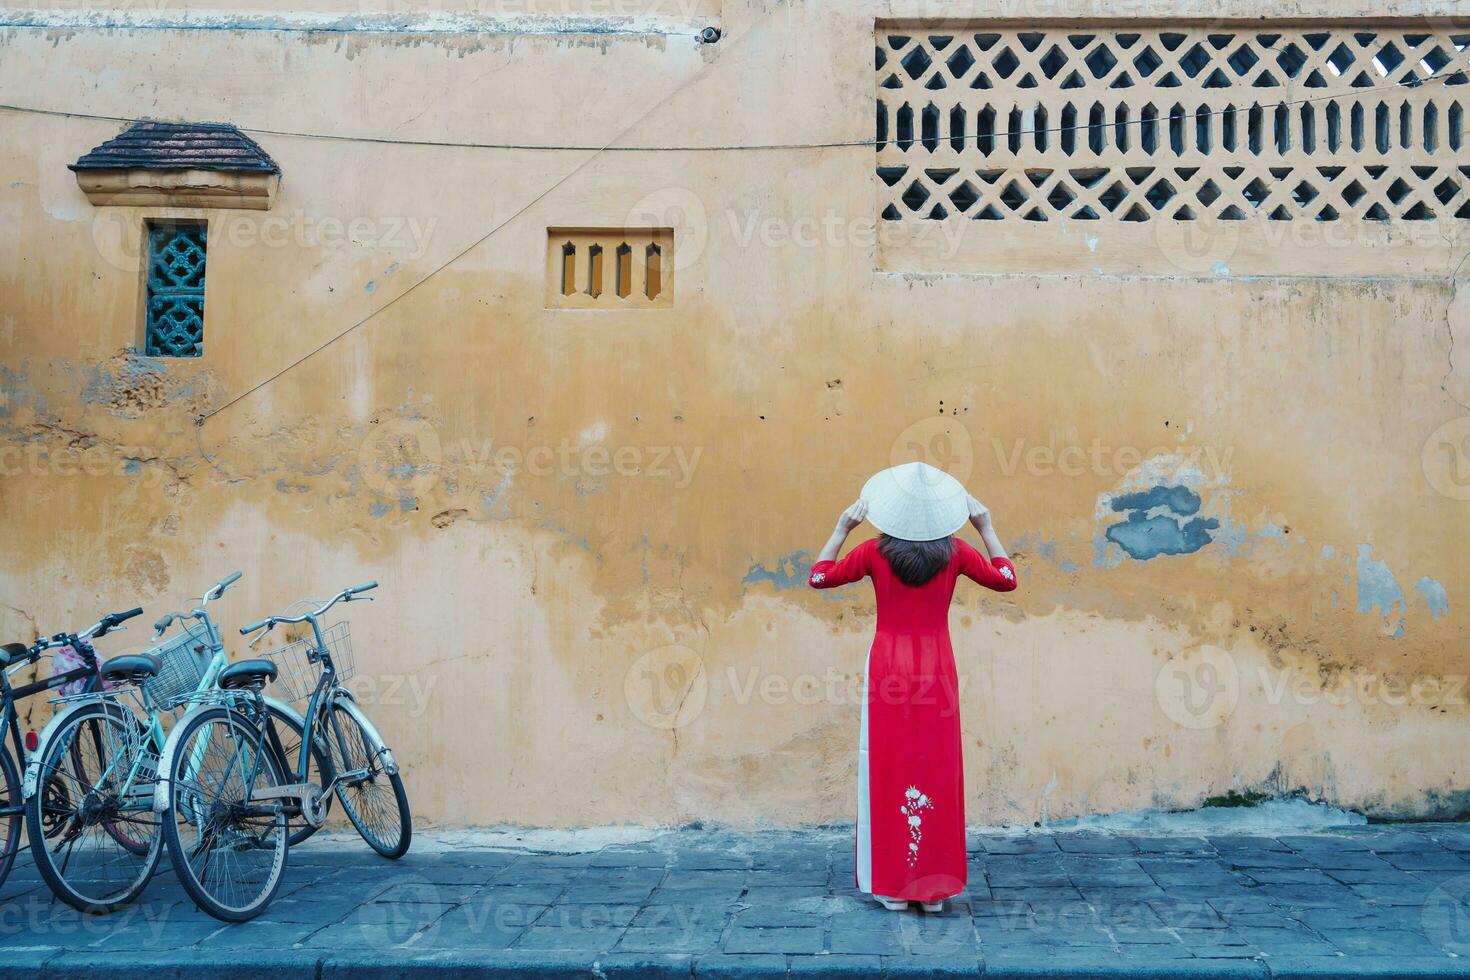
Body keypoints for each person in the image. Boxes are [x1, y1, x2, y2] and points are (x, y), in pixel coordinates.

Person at [808, 462, 1018, 912]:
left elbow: (819, 576)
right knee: (937, 768)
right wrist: (986, 526)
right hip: (937, 669)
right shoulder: (958, 552)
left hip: (888, 669)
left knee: (888, 767)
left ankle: (894, 885)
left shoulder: (873, 553)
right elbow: (1007, 580)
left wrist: (843, 526)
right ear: (943, 512)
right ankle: (934, 888)